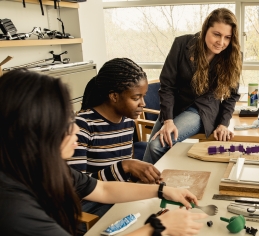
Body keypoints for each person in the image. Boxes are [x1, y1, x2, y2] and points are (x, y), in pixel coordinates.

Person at [0, 69, 207, 236]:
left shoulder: (42, 167)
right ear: (32, 132)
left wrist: (162, 191)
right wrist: (157, 228)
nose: (75, 129)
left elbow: (103, 190)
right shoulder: (13, 209)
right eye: (63, 122)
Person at [66, 58, 162, 223]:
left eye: (143, 96)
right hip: (88, 205)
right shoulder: (82, 125)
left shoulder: (127, 121)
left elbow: (122, 174)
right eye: (136, 97)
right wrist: (125, 166)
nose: (143, 104)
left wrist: (137, 175)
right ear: (114, 96)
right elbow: (76, 187)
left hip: (116, 194)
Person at [143, 8, 242, 164]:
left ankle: (151, 185)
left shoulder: (234, 55)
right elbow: (167, 85)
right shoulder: (181, 44)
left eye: (227, 37)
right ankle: (146, 184)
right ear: (205, 29)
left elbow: (231, 95)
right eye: (217, 34)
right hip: (174, 105)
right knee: (152, 146)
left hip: (202, 109)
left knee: (157, 145)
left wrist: (223, 124)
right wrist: (168, 120)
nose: (221, 42)